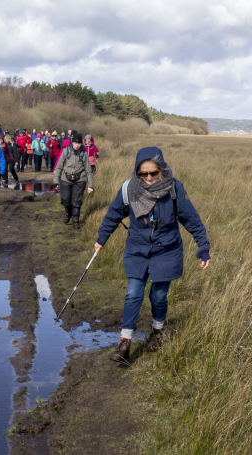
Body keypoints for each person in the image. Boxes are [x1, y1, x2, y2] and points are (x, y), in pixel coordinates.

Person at [94, 146, 211, 363]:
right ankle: (125, 342)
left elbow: (192, 220)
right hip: (137, 250)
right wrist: (102, 239)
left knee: (158, 296)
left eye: (153, 173)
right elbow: (112, 215)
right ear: (137, 172)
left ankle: (157, 332)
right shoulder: (128, 189)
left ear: (162, 169)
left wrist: (203, 247)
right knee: (133, 293)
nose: (148, 177)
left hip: (166, 250)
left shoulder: (174, 189)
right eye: (143, 173)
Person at [53, 132, 93, 229]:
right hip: (65, 179)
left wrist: (90, 185)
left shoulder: (84, 154)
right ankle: (68, 214)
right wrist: (56, 182)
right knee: (65, 200)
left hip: (80, 180)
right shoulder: (66, 152)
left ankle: (76, 220)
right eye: (75, 143)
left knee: (76, 201)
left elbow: (88, 170)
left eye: (79, 144)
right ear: (72, 142)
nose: (77, 145)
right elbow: (58, 167)